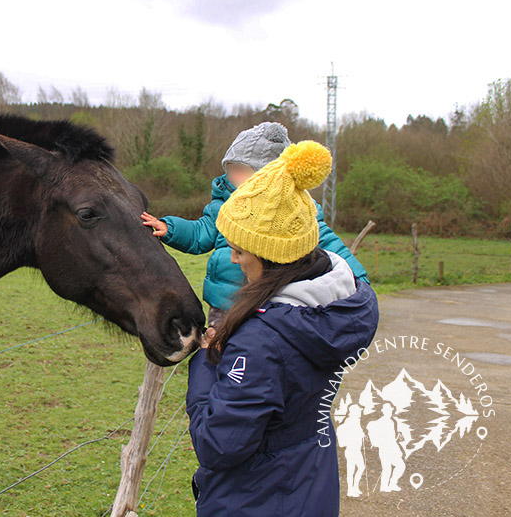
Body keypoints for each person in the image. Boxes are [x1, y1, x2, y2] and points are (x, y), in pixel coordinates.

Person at [186, 140, 379, 516]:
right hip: (308, 481)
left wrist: (207, 364)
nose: (232, 258)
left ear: (270, 255)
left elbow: (218, 446)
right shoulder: (331, 309)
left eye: (240, 250)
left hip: (253, 496)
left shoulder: (263, 341)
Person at [141, 122, 368, 331]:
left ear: (266, 174)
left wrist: (358, 282)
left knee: (256, 356)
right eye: (229, 168)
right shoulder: (224, 204)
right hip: (224, 304)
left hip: (269, 306)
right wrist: (169, 228)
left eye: (239, 169)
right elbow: (202, 232)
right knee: (218, 355)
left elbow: (326, 244)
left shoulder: (293, 214)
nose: (229, 176)